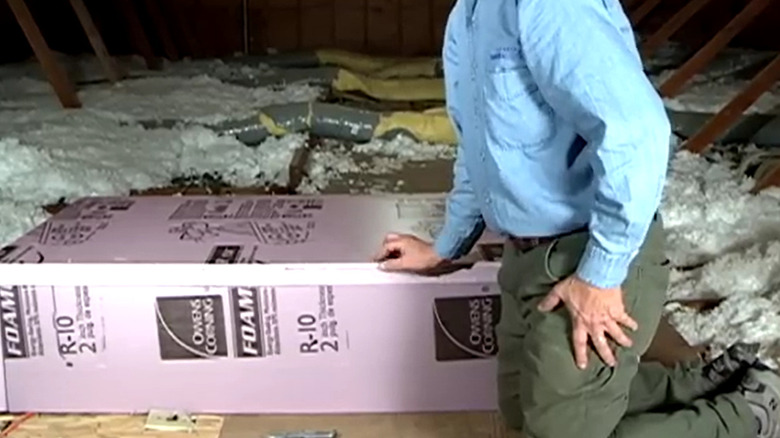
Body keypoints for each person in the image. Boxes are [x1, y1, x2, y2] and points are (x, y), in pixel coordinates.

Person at [373, 0, 780, 437]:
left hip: (591, 254)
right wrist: (444, 247)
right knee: (522, 414)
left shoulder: (549, 7)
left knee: (558, 430)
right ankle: (701, 384)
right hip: (528, 258)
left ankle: (749, 416)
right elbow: (479, 152)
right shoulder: (468, 17)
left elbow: (637, 132)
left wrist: (601, 276)